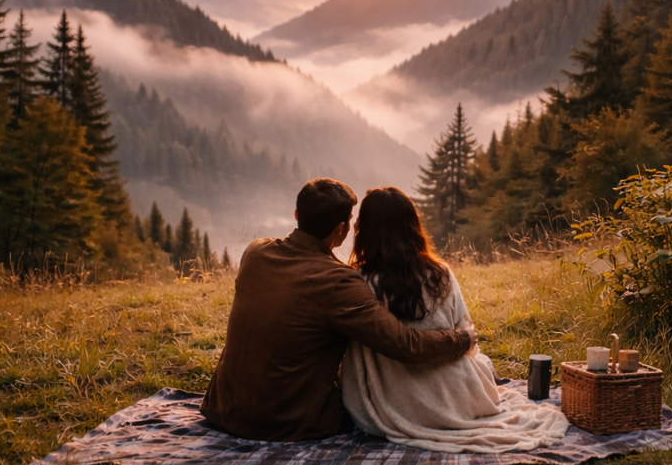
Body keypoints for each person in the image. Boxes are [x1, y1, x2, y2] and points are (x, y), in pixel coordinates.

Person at [200, 179, 475, 442]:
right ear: (342, 229)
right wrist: (463, 339)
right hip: (286, 423)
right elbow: (404, 344)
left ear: (296, 213)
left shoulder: (255, 252)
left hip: (222, 409)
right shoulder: (339, 282)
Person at [341, 187, 568, 453]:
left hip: (389, 402)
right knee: (481, 364)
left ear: (365, 229)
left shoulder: (358, 282)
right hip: (453, 397)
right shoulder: (440, 274)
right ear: (413, 226)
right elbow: (466, 338)